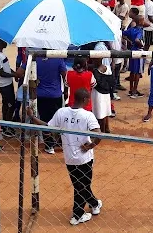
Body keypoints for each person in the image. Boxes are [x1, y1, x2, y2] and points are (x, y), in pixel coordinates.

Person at [28, 88, 102, 226]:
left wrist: (32, 117)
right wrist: (91, 145)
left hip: (69, 158)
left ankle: (94, 203)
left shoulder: (62, 112)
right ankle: (77, 215)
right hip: (84, 158)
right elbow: (99, 133)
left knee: (80, 184)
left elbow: (48, 127)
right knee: (81, 186)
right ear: (85, 100)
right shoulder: (88, 115)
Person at [0, 38, 21, 137]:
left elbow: (7, 69)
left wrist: (14, 73)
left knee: (6, 104)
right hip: (3, 85)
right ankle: (6, 127)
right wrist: (15, 75)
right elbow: (1, 73)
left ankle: (5, 124)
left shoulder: (1, 54)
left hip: (8, 83)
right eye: (4, 41)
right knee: (11, 105)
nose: (6, 42)